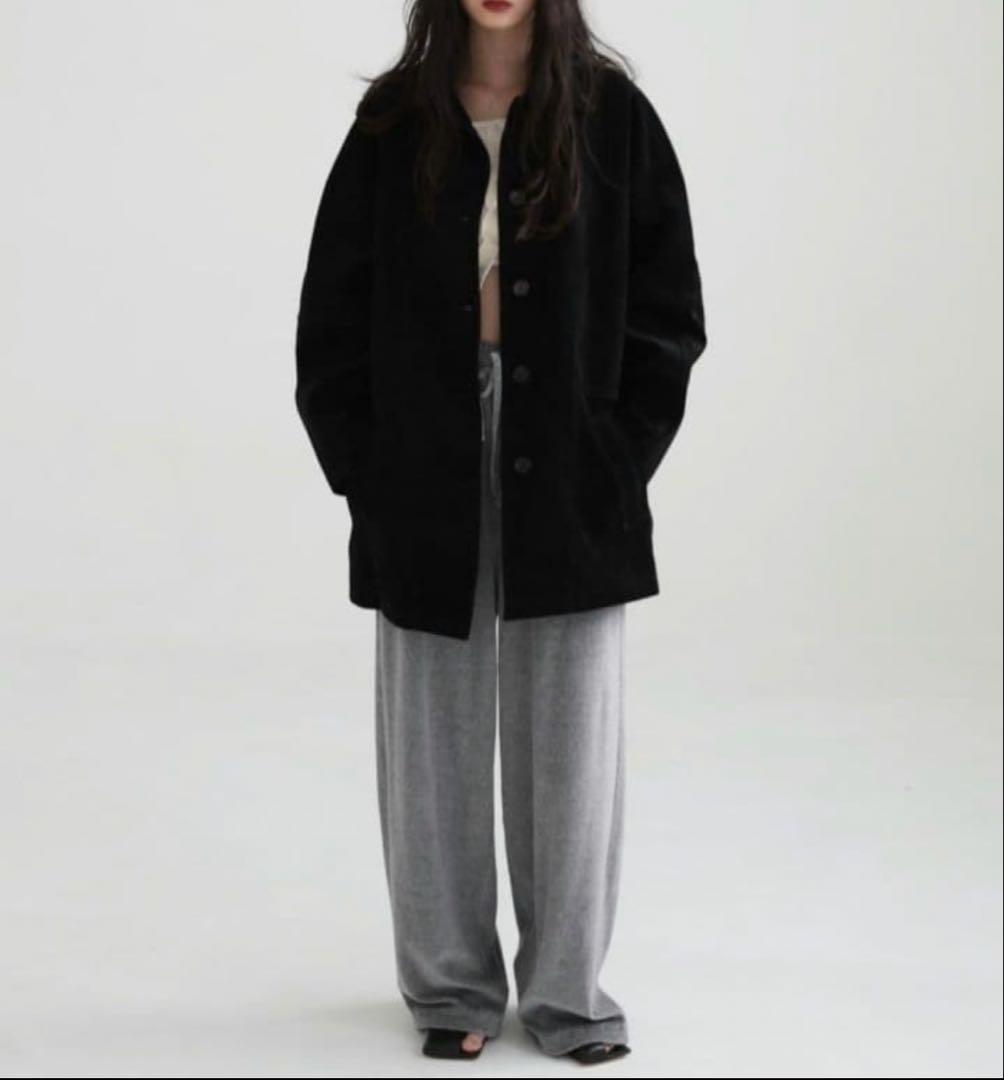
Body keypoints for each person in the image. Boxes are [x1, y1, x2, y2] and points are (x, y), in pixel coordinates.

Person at [294, 0, 707, 1064]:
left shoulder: (609, 115)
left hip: (568, 461)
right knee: (429, 741)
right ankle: (450, 989)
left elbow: (668, 310)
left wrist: (617, 455)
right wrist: (365, 474)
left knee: (570, 745)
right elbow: (330, 315)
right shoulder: (395, 122)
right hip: (419, 462)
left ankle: (568, 996)